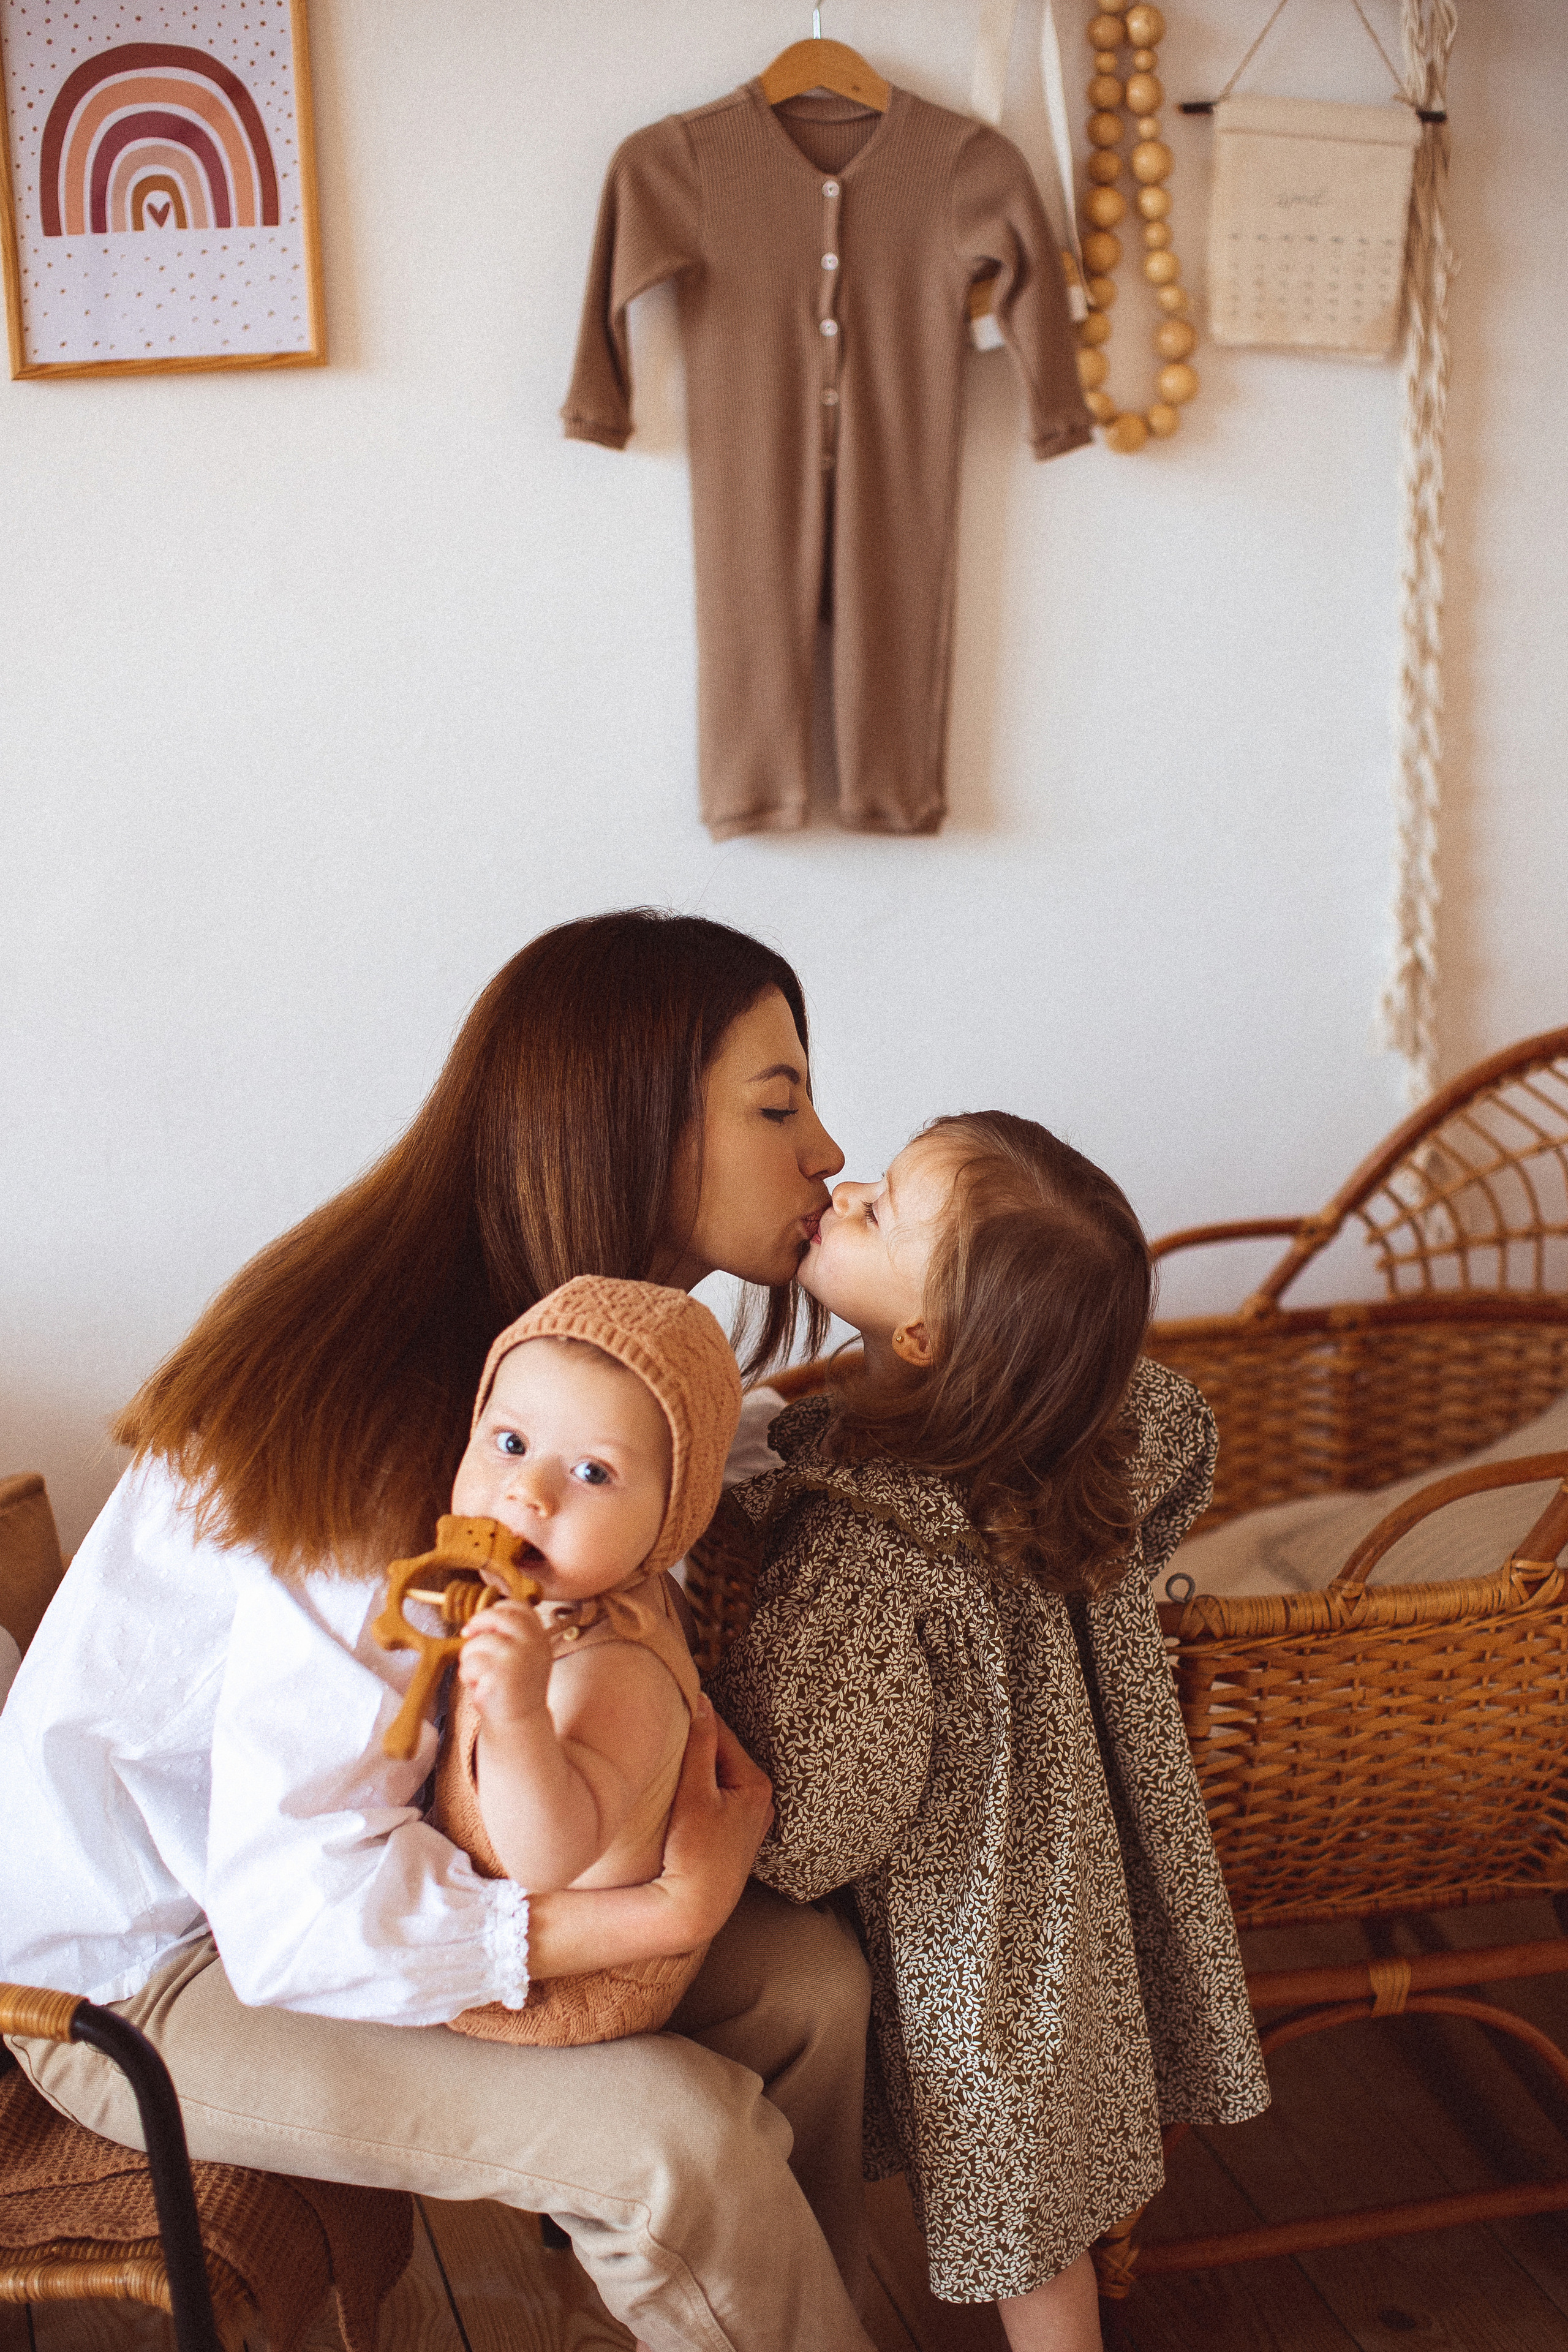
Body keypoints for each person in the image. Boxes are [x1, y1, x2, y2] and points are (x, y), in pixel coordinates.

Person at [0, 911, 875, 2352]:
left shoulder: (551, 1367)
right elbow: (292, 1909)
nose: (827, 1148)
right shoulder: (390, 1440)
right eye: (776, 1103)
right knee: (677, 2145)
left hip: (350, 1871)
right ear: (632, 1124)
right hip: (163, 1957)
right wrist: (645, 1916)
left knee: (807, 1989)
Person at [710, 1112, 1272, 2352]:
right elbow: (1180, 1426)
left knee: (1022, 2212)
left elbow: (813, 1830)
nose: (843, 1191)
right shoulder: (1095, 1446)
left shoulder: (861, 1551)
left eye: (879, 1209)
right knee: (1053, 2223)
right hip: (1097, 1899)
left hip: (977, 1944)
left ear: (918, 1336)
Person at [432, 1275, 743, 2045]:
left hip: (565, 1988)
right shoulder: (550, 1590)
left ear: (672, 1517)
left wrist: (518, 1720)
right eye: (509, 1444)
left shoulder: (615, 1669)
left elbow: (547, 1856)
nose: (528, 1492)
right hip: (535, 1934)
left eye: (593, 1472)